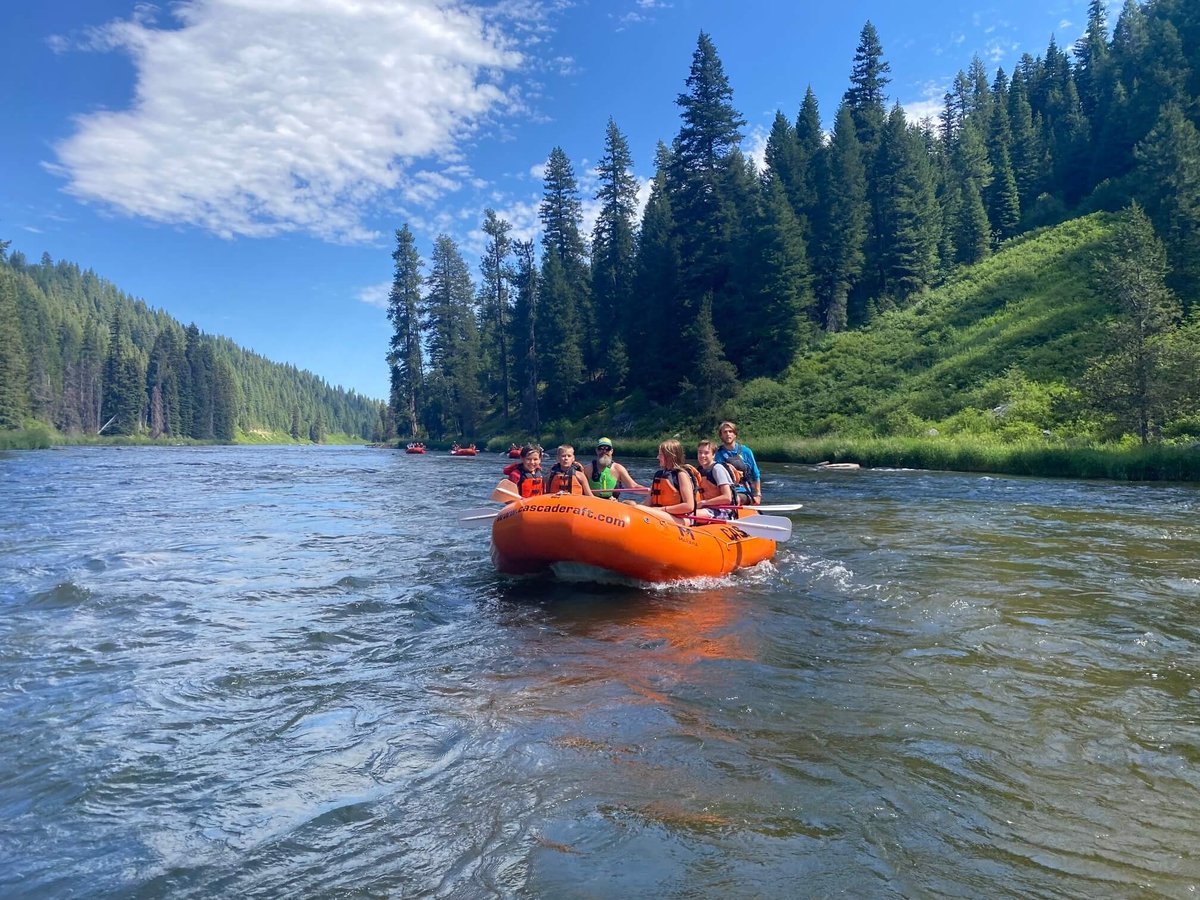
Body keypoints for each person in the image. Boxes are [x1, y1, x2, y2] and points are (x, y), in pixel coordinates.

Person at [649, 438, 709, 522]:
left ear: (670, 456)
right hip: (662, 514)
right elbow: (648, 502)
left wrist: (661, 510)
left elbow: (689, 506)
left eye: (661, 455)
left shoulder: (681, 475)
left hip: (680, 518)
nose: (658, 457)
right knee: (630, 504)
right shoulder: (659, 475)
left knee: (637, 508)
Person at [714, 420, 762, 505]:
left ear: (735, 434)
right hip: (724, 492)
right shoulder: (717, 454)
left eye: (730, 431)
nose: (728, 434)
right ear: (721, 436)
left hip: (744, 491)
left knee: (735, 499)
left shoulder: (746, 451)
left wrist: (757, 494)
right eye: (725, 432)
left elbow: (756, 474)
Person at [695, 439, 735, 518]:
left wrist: (704, 503)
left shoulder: (717, 469)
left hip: (722, 511)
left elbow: (727, 497)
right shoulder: (699, 471)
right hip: (706, 508)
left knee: (691, 515)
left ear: (713, 455)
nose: (702, 455)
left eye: (706, 453)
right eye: (700, 452)